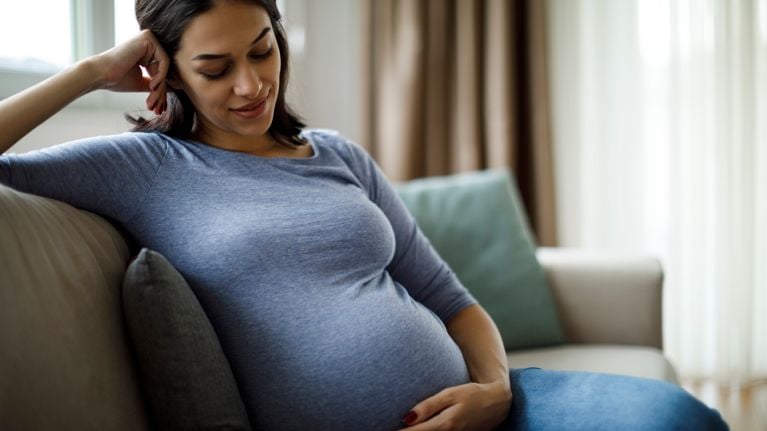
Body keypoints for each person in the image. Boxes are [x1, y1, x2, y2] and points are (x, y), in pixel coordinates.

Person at [0, 1, 728, 430]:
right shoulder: (146, 170)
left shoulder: (337, 155)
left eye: (262, 51)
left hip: (495, 410)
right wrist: (91, 71)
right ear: (168, 72)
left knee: (680, 419)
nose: (252, 85)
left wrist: (494, 390)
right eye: (216, 69)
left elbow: (451, 299)